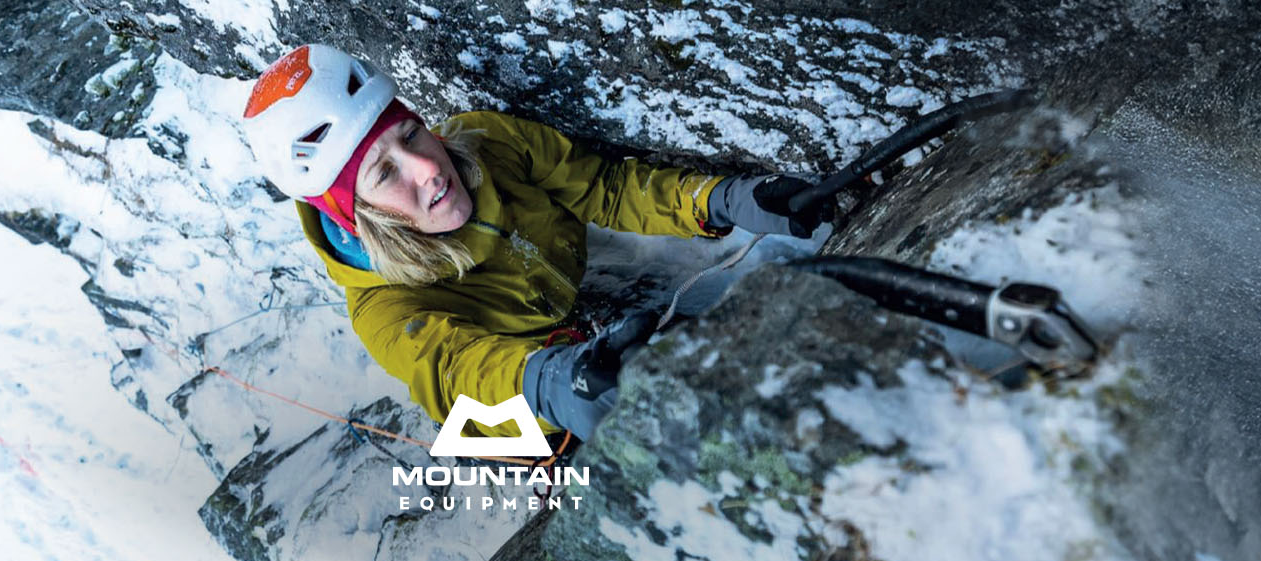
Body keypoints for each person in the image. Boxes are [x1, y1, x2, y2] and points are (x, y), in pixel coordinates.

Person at [241, 44, 837, 441]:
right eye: (383, 174)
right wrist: (548, 384)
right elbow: (457, 373)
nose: (426, 168)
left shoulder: (488, 143)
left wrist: (718, 200)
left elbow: (603, 187)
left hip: (571, 316)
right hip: (529, 390)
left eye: (410, 135)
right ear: (354, 217)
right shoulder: (385, 310)